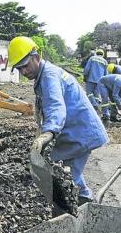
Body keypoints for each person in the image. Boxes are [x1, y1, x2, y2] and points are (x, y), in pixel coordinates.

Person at [8, 36, 108, 204]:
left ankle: (72, 213)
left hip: (81, 134)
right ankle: (86, 201)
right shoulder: (43, 75)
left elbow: (55, 106)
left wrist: (48, 133)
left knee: (63, 181)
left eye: (25, 66)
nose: (23, 72)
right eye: (19, 69)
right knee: (62, 168)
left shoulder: (49, 76)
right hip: (74, 132)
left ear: (37, 57)